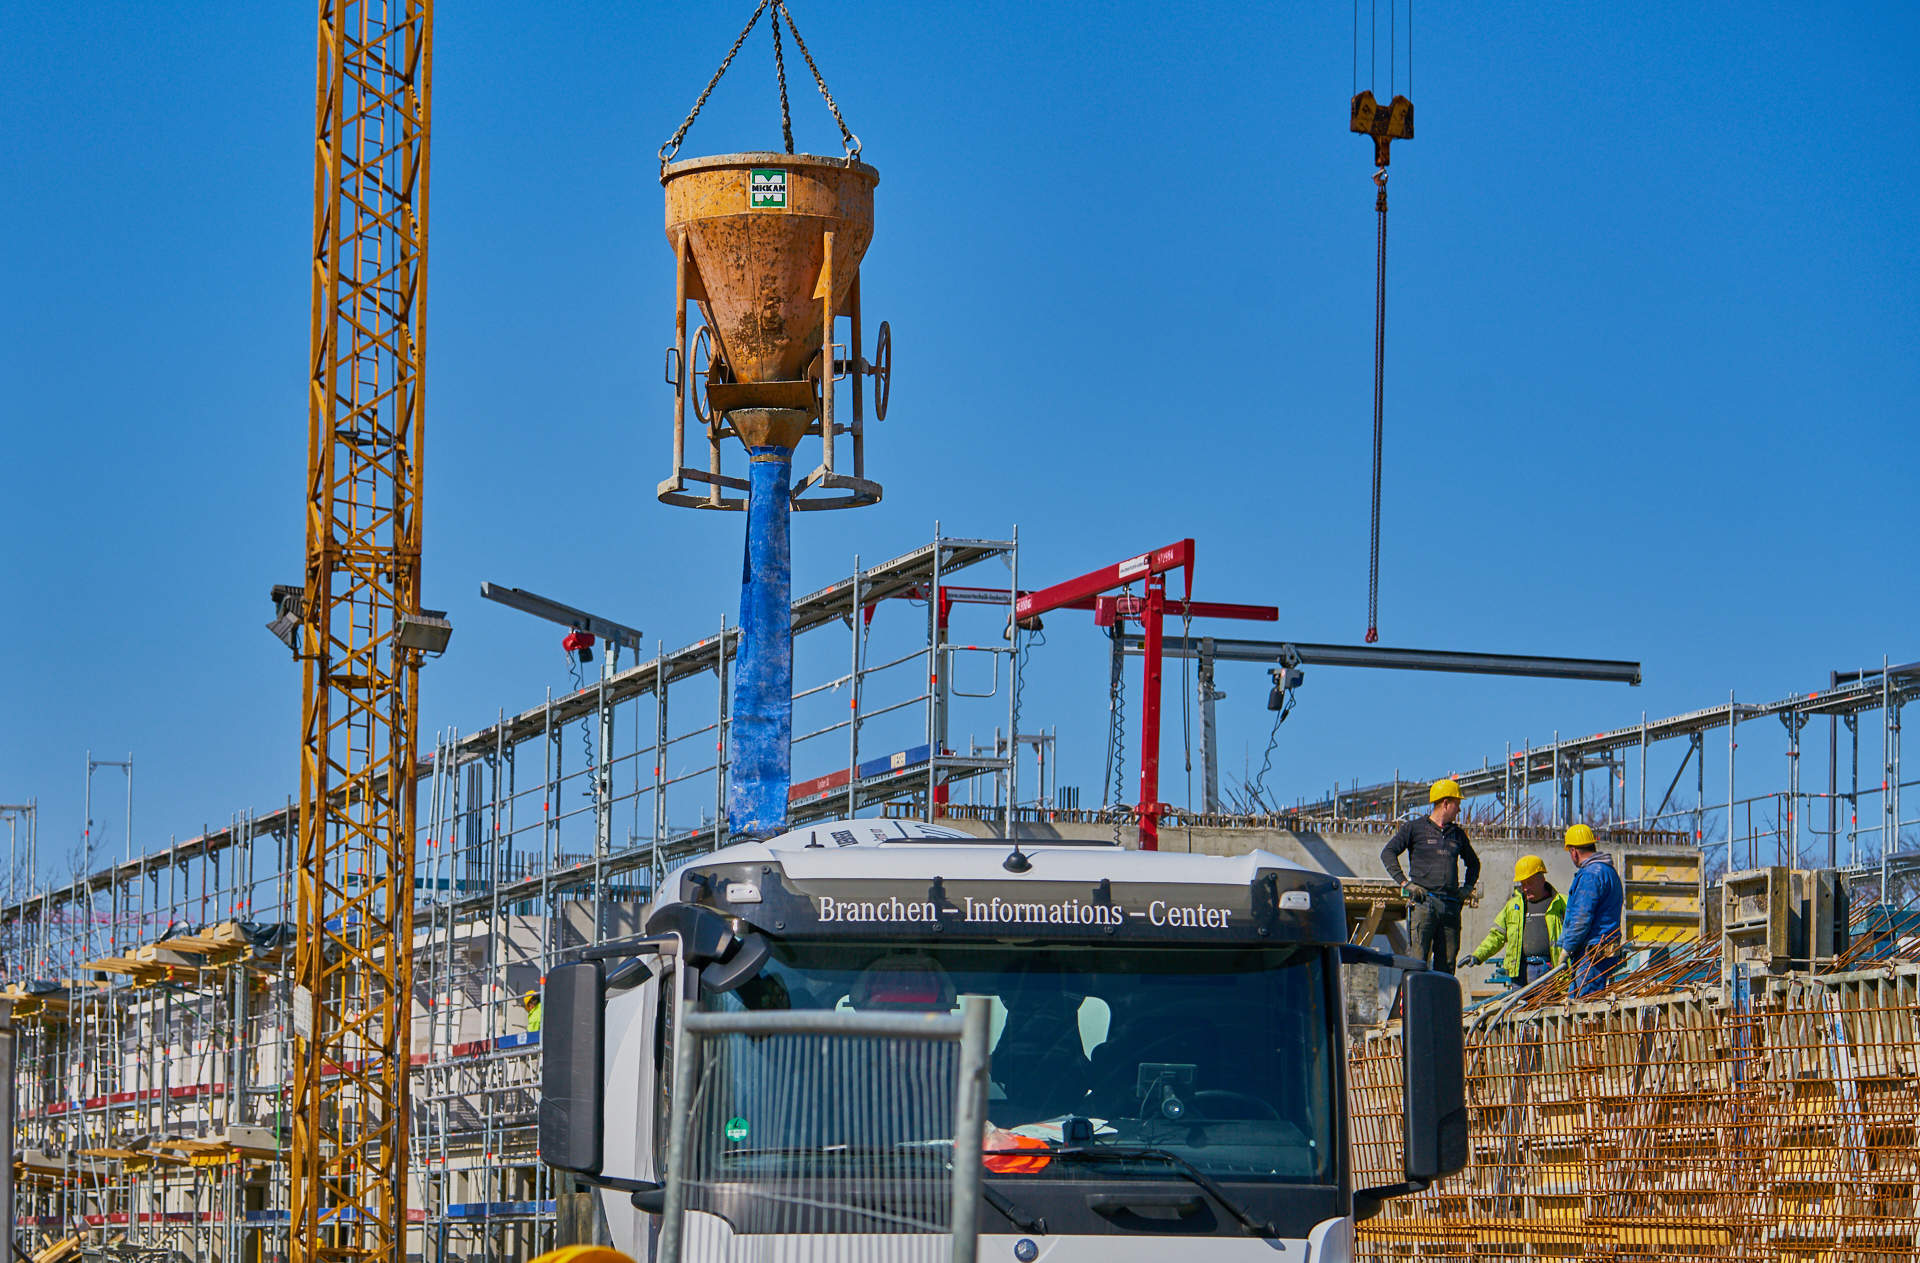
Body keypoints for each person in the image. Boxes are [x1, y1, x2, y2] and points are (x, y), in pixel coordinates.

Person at [1381, 779, 1481, 975]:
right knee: (1416, 961)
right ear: (1445, 803)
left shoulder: (1457, 834)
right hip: (1424, 903)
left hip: (1450, 906)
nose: (1459, 809)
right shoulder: (1414, 828)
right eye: (1457, 804)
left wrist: (1468, 887)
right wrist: (1405, 883)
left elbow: (1473, 863)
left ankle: (1441, 996)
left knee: (1447, 965)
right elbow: (1388, 853)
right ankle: (1413, 995)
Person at [1459, 854, 1565, 988]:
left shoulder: (1561, 903)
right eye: (1523, 884)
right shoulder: (1513, 907)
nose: (1526, 888)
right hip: (1520, 972)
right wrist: (1478, 956)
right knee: (1520, 1003)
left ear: (1542, 880)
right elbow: (1497, 936)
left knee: (1548, 1003)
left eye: (1530, 883)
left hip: (1549, 970)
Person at [1558, 824, 1624, 997]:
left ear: (1574, 851)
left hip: (1592, 955)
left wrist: (1566, 949)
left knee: (1584, 1005)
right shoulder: (1609, 871)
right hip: (1605, 952)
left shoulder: (1590, 874)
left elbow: (1581, 918)